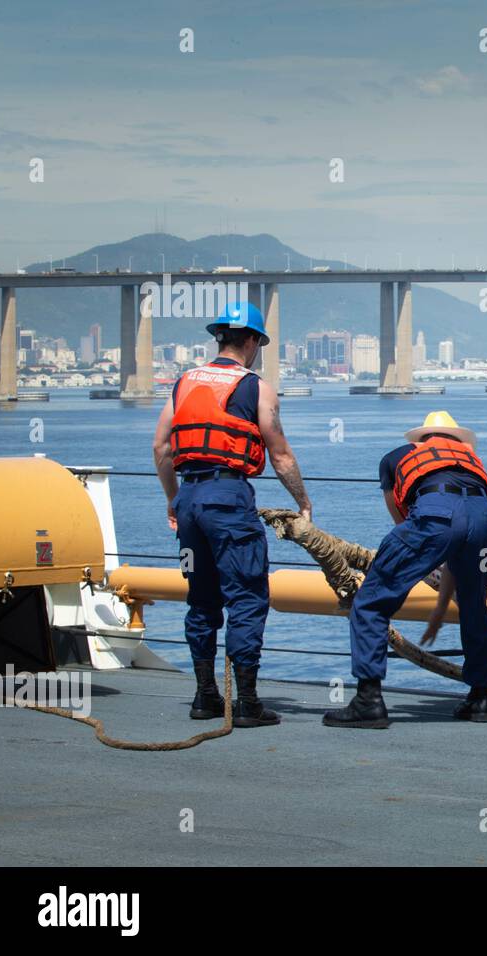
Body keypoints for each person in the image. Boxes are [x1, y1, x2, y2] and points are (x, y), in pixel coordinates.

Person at [152, 301, 311, 728]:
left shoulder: (184, 382)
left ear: (220, 337)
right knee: (246, 596)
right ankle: (247, 703)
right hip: (228, 497)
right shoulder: (255, 386)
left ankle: (205, 696)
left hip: (189, 499)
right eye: (259, 341)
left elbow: (162, 448)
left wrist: (173, 500)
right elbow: (279, 453)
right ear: (251, 340)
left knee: (201, 599)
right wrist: (302, 504)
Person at [324, 411, 487, 729]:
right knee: (474, 605)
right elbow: (461, 533)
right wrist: (442, 598)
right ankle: (481, 698)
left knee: (370, 602)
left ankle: (368, 701)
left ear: (421, 439)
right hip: (483, 520)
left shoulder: (397, 456)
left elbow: (403, 520)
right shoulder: (470, 460)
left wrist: (414, 561)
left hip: (436, 512)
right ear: (457, 440)